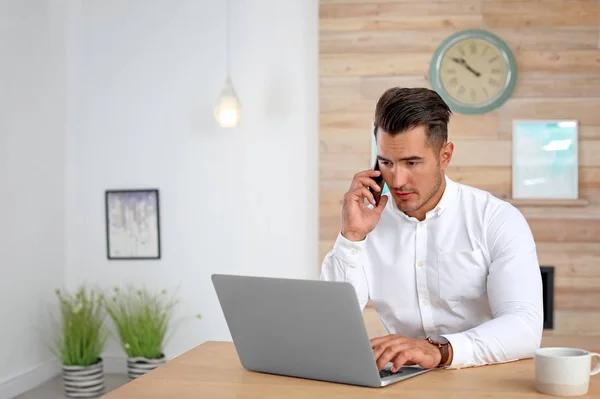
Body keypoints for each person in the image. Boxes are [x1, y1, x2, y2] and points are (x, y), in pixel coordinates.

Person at [320, 87, 543, 372]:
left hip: (483, 377)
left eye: (412, 163)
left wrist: (441, 350)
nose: (397, 180)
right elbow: (331, 323)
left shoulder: (497, 220)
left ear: (445, 156)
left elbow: (525, 327)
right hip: (400, 379)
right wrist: (351, 237)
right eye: (387, 162)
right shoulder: (367, 222)